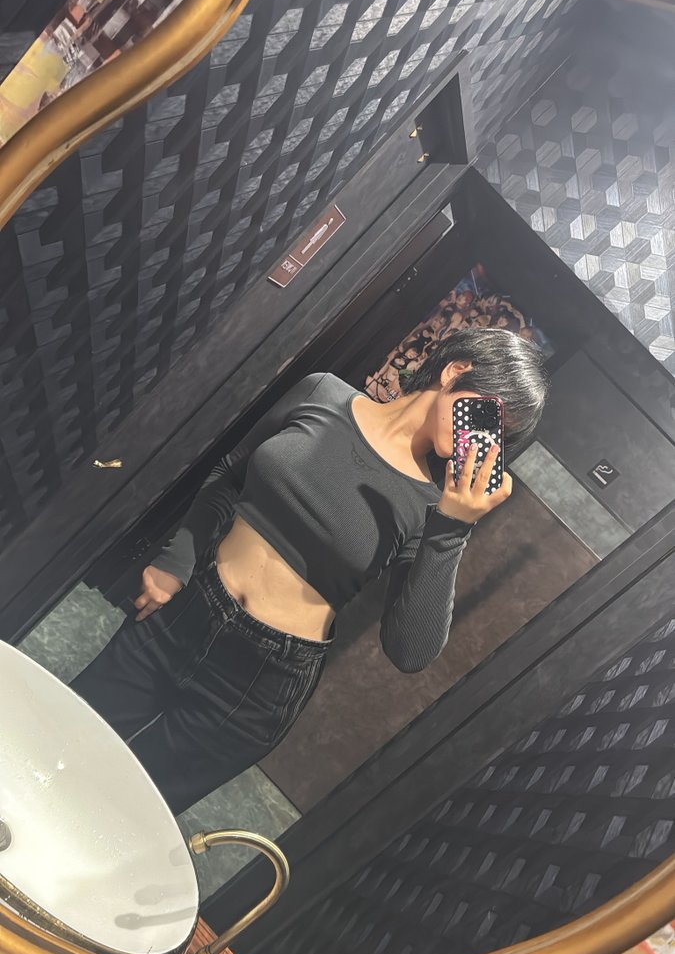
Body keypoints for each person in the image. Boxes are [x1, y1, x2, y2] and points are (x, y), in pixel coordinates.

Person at [72, 329, 547, 814]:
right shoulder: (323, 393)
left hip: (256, 684)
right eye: (490, 417)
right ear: (456, 371)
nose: (485, 439)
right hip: (185, 611)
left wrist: (452, 528)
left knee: (126, 817)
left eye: (501, 436)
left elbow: (410, 650)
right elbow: (230, 474)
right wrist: (177, 559)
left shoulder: (435, 507)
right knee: (62, 742)